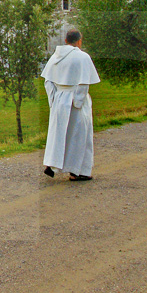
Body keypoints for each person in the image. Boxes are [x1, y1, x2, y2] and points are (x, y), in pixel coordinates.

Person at [42, 29, 100, 181]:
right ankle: (78, 171)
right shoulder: (83, 57)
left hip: (60, 98)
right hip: (75, 98)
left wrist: (53, 100)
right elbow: (83, 83)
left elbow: (48, 81)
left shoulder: (55, 57)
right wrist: (78, 102)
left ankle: (52, 165)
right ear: (79, 41)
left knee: (59, 135)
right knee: (79, 136)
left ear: (66, 41)